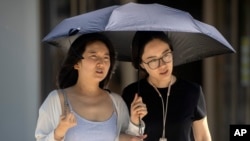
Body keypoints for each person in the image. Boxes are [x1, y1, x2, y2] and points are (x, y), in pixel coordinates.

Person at [35, 32, 147, 141]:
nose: (101, 63)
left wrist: (135, 122)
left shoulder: (116, 102)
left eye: (106, 58)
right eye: (93, 56)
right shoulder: (56, 100)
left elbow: (129, 137)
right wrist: (59, 132)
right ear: (76, 63)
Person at [122, 31, 212, 141]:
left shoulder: (192, 91)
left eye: (166, 55)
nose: (163, 65)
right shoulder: (132, 93)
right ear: (141, 64)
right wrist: (134, 122)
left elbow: (203, 137)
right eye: (153, 60)